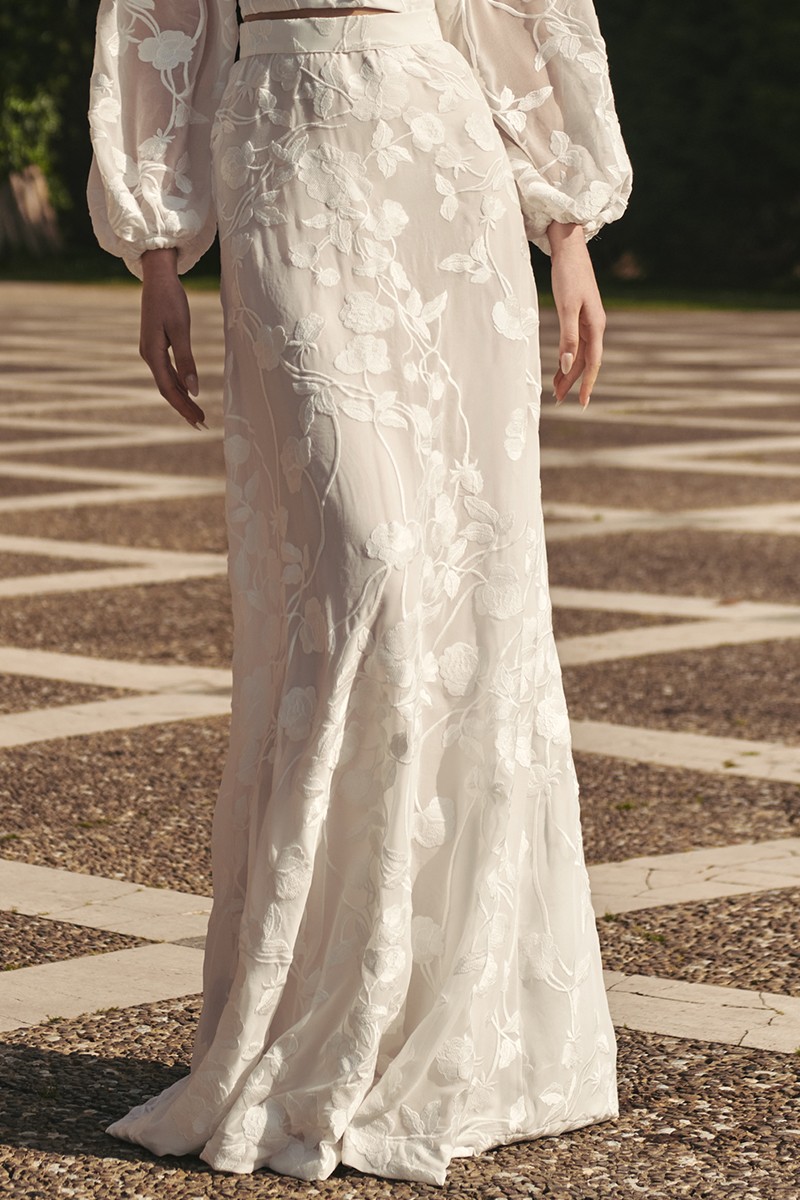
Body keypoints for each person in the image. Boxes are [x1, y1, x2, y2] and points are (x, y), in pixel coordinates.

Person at [87, 0, 632, 1185]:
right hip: (279, 156)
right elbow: (155, 24)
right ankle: (324, 994)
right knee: (364, 551)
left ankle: (428, 1006)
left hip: (440, 167)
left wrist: (566, 230)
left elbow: (516, 13)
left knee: (465, 569)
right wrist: (158, 256)